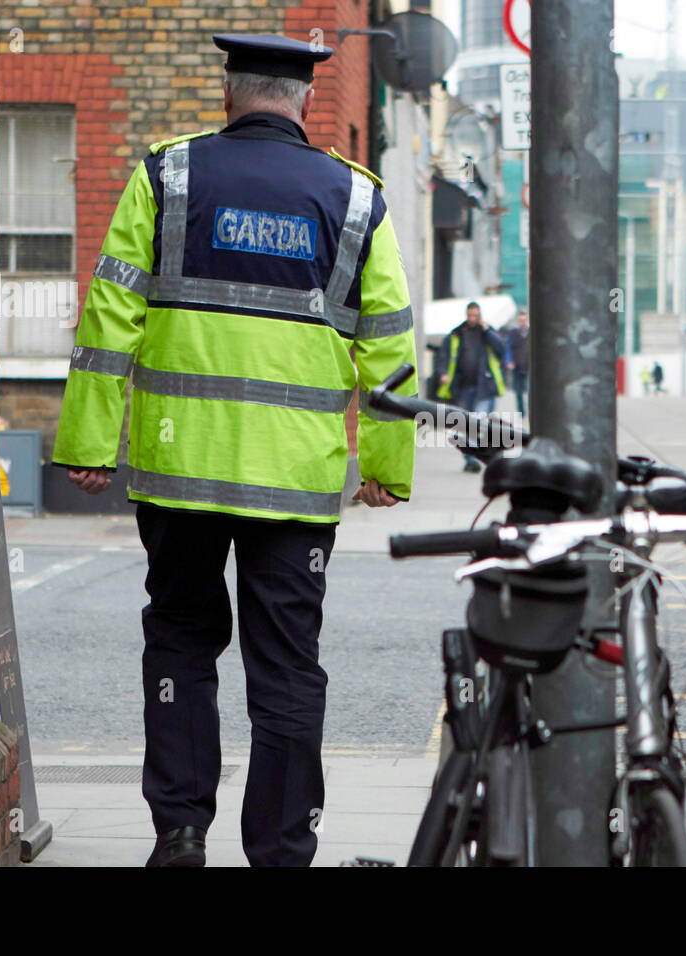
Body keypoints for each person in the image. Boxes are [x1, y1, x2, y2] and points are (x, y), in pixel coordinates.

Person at [51, 33, 417, 868]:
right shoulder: (356, 200)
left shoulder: (167, 176)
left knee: (180, 643)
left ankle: (180, 833)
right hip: (294, 484)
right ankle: (281, 850)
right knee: (287, 667)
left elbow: (110, 316)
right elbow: (389, 347)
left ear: (227, 92)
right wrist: (389, 465)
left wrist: (88, 443)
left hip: (179, 473)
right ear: (306, 103)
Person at [435, 301, 508, 472]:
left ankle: (477, 457)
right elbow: (444, 356)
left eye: (475, 315)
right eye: (470, 315)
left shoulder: (486, 333)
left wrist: (487, 330)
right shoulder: (457, 334)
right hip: (463, 386)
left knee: (479, 421)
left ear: (480, 316)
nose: (472, 318)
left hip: (484, 387)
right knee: (465, 424)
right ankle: (470, 457)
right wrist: (443, 373)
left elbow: (502, 348)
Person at [506, 309, 530, 417]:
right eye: (520, 320)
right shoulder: (513, 333)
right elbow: (508, 348)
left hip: (529, 365)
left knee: (530, 389)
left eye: (524, 320)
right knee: (518, 391)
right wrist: (509, 361)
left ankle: (531, 409)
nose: (522, 322)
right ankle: (521, 412)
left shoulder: (530, 332)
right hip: (517, 365)